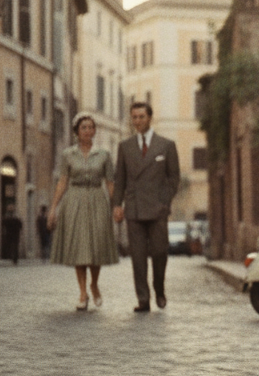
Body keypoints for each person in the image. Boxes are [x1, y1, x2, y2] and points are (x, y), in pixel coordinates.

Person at [112, 102, 179, 312]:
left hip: (157, 209)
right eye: (134, 117)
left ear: (150, 118)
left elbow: (173, 177)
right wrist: (117, 204)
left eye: (141, 116)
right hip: (135, 209)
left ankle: (159, 289)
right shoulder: (125, 146)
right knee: (138, 257)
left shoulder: (166, 145)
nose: (138, 121)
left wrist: (164, 201)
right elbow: (119, 178)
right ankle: (143, 298)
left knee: (160, 252)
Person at [49, 116, 119, 310]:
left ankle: (94, 284)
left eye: (90, 127)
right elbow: (63, 181)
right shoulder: (67, 155)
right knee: (80, 247)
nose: (87, 131)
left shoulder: (104, 155)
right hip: (75, 200)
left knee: (95, 247)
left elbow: (110, 183)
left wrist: (116, 206)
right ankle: (82, 293)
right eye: (83, 127)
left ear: (95, 131)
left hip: (98, 199)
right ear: (77, 132)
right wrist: (54, 208)